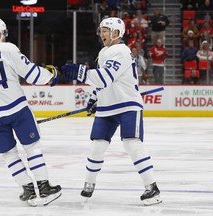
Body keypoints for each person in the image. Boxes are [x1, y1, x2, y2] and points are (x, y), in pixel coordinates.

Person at [0, 17, 61, 207]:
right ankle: (44, 187)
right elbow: (31, 73)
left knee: (9, 154)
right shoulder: (8, 49)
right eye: (3, 33)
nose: (4, 37)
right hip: (17, 108)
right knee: (32, 147)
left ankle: (28, 189)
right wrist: (51, 76)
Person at [61, 17, 162, 206]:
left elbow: (106, 77)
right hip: (107, 106)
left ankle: (152, 187)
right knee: (97, 146)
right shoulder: (105, 51)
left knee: (132, 144)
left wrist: (81, 73)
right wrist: (94, 97)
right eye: (101, 30)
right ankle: (89, 183)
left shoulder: (121, 51)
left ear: (116, 32)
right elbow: (101, 82)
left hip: (127, 105)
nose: (101, 34)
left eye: (105, 30)